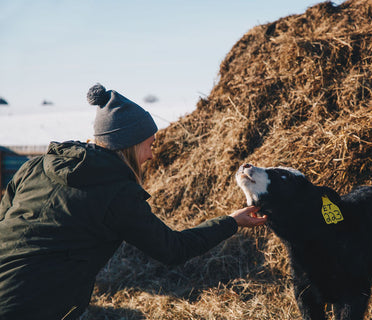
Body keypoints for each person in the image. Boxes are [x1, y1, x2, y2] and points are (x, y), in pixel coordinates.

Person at [0, 84, 267, 320]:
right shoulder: (117, 194)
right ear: (130, 144)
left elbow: (3, 219)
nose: (151, 155)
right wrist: (231, 221)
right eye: (149, 144)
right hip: (36, 305)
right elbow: (173, 249)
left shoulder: (35, 166)